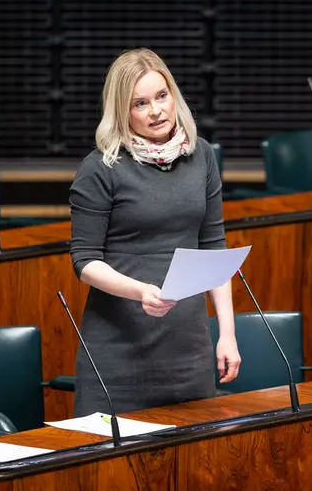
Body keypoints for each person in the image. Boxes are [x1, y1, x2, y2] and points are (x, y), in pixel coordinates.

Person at [68, 48, 241, 416]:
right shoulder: (101, 168)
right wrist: (140, 291)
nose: (156, 111)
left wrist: (227, 332)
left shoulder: (202, 156)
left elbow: (213, 247)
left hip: (187, 346)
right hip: (119, 352)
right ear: (122, 112)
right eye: (140, 104)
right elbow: (84, 261)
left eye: (162, 96)